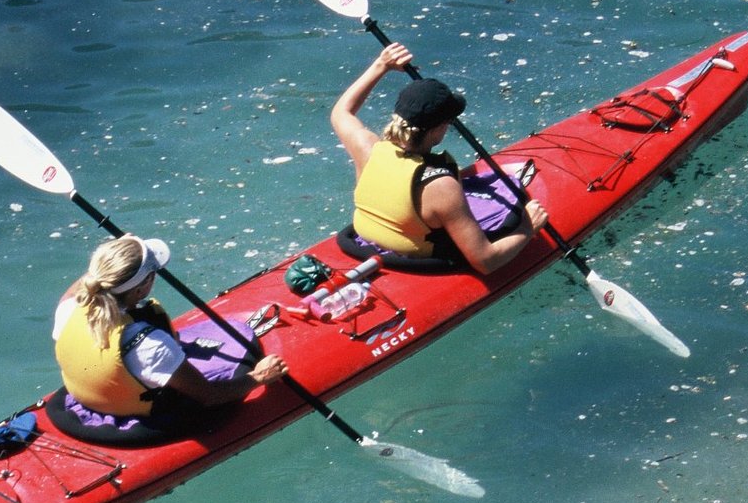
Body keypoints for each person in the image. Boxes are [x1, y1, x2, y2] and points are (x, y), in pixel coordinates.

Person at [330, 42, 548, 274]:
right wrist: (527, 227)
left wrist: (381, 64)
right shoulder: (441, 187)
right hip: (416, 258)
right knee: (509, 216)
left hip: (365, 241)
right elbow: (486, 261)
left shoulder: (367, 148)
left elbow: (341, 111)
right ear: (436, 130)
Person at [52, 234, 286, 427]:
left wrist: (116, 255)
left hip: (89, 398)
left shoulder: (70, 306)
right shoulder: (148, 345)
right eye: (152, 275)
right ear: (141, 289)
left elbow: (92, 280)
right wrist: (259, 377)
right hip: (141, 416)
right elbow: (208, 396)